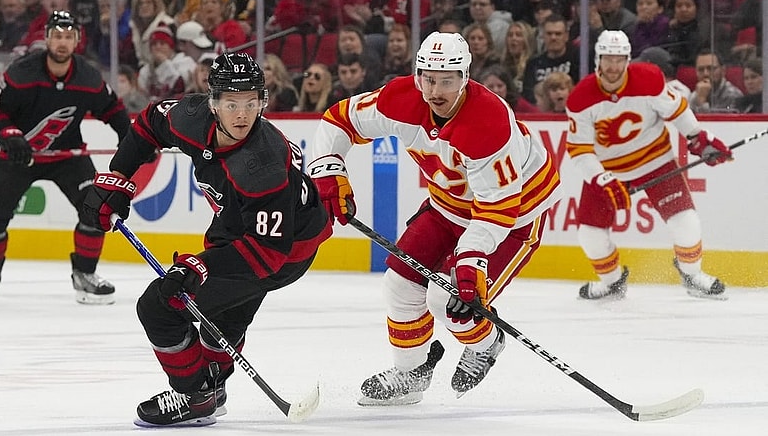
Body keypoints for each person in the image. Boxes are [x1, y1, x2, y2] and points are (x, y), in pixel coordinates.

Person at [307, 32, 562, 405]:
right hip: (447, 206)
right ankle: (411, 373)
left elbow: (497, 206)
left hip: (514, 216)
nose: (435, 90)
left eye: (447, 80)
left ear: (465, 77)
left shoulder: (488, 122)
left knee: (449, 302)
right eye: (428, 78)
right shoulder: (400, 99)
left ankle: (488, 341)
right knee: (399, 286)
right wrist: (328, 170)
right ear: (417, 75)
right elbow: (339, 121)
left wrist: (471, 260)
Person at [82, 52, 332, 427]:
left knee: (160, 306)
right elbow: (149, 123)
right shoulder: (190, 116)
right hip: (235, 224)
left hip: (288, 248)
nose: (243, 115)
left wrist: (201, 265)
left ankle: (194, 397)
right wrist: (119, 177)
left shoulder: (263, 163)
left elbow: (267, 256)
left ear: (263, 101)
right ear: (212, 102)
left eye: (252, 102)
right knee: (224, 316)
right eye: (232, 103)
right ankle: (210, 387)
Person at [564, 30, 731, 301]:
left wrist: (697, 137)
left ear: (628, 59)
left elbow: (676, 111)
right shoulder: (581, 98)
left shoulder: (649, 79)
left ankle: (691, 274)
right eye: (608, 59)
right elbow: (579, 149)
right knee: (589, 235)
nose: (614, 67)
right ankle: (613, 281)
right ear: (598, 60)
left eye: (620, 60)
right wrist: (601, 178)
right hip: (608, 170)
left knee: (686, 222)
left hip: (655, 160)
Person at [0, 11, 130, 305]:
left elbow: (113, 109)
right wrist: (11, 135)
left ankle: (85, 276)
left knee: (96, 208)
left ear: (76, 41)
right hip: (20, 157)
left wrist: (131, 142)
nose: (62, 42)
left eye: (68, 37)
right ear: (47, 38)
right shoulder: (21, 73)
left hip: (68, 157)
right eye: (57, 36)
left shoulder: (88, 78)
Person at [689, 48, 743, 113]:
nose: (705, 74)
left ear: (723, 71)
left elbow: (717, 122)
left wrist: (701, 102)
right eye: (700, 70)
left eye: (710, 68)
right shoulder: (694, 95)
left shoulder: (733, 95)